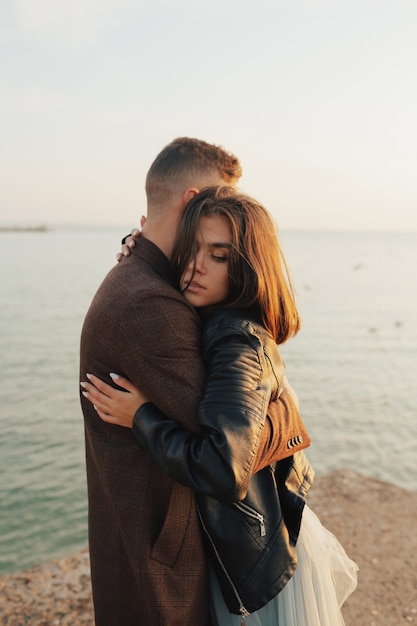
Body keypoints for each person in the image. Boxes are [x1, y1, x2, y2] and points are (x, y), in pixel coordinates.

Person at [81, 186, 358, 625]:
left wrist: (142, 418)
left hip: (258, 555)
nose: (195, 266)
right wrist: (135, 245)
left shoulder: (235, 340)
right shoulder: (212, 316)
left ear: (247, 267)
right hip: (259, 539)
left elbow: (222, 467)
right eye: (192, 249)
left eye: (219, 256)